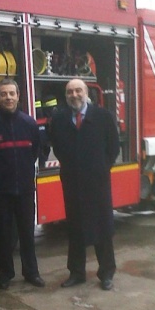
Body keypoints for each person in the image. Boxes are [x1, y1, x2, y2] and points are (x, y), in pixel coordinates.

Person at [50, 78, 120, 291]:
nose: (74, 95)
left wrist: (100, 168)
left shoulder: (103, 116)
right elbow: (58, 148)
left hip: (97, 183)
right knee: (75, 228)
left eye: (78, 90)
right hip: (72, 183)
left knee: (102, 228)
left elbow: (113, 147)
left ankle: (106, 273)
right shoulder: (60, 119)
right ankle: (77, 273)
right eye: (70, 92)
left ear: (86, 92)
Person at [0, 78, 45, 290]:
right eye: (3, 94)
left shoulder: (29, 123)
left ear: (18, 96)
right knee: (3, 235)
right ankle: (5, 274)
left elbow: (37, 151)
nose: (8, 97)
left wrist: (23, 172)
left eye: (11, 93)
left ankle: (31, 273)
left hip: (24, 189)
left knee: (27, 234)